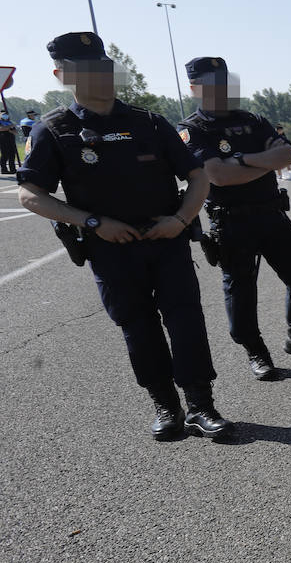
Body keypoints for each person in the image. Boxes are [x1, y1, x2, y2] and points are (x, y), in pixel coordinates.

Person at [18, 31, 229, 440]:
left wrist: (182, 220)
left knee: (186, 322)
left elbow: (197, 175)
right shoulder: (53, 130)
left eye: (104, 66)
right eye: (87, 69)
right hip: (111, 248)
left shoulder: (148, 122)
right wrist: (93, 223)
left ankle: (201, 406)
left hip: (166, 239)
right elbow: (30, 194)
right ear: (62, 75)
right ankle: (166, 406)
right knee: (138, 326)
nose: (101, 75)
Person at [179, 57, 291, 381]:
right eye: (211, 84)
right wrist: (262, 162)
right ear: (195, 88)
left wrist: (241, 159)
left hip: (271, 214)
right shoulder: (192, 129)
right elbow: (218, 176)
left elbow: (287, 157)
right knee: (241, 290)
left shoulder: (253, 120)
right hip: (231, 222)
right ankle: (255, 349)